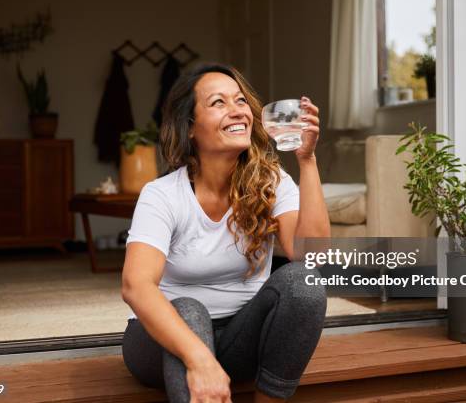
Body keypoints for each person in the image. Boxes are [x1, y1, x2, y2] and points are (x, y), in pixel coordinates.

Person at [121, 62, 330, 403]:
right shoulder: (162, 195)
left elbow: (312, 257)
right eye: (218, 103)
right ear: (189, 127)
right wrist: (199, 358)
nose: (237, 111)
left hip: (238, 339)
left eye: (240, 101)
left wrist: (307, 161)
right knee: (188, 309)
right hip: (161, 343)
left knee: (303, 282)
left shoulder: (271, 181)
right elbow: (135, 286)